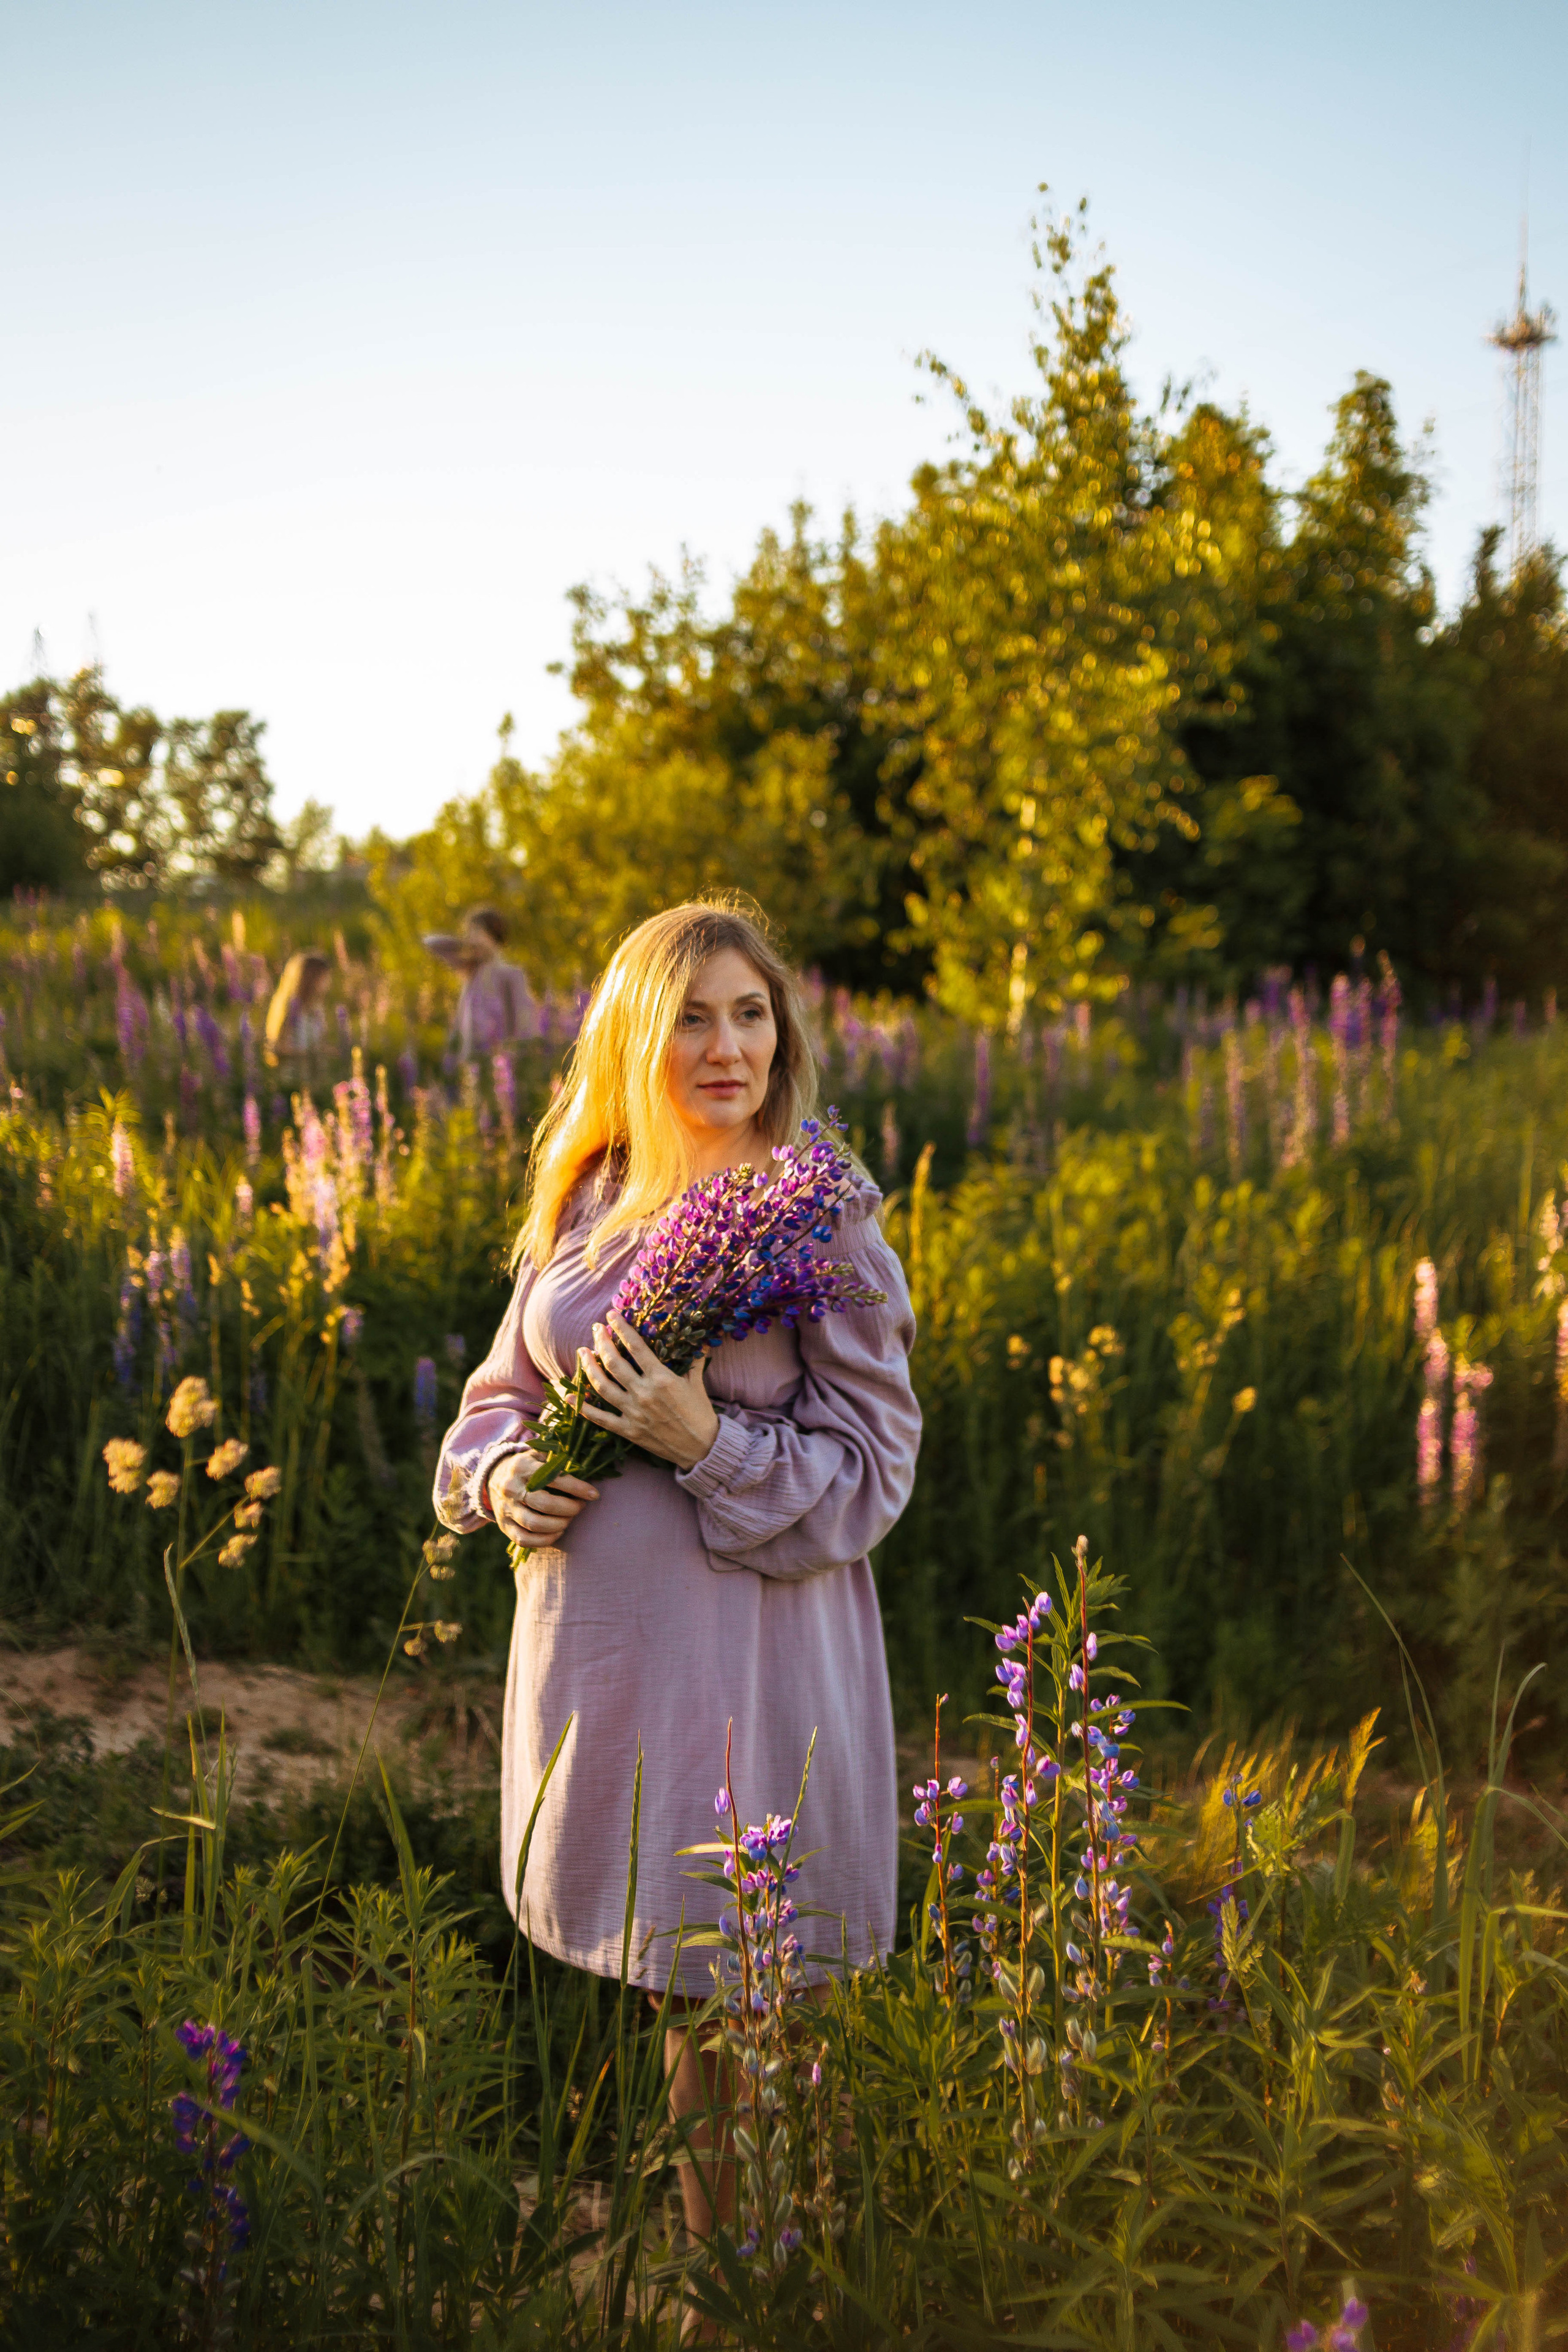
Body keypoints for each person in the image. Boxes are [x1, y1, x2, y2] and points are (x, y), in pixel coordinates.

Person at [432, 900, 918, 2281]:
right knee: (685, 1995)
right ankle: (744, 2271)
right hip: (611, 1668)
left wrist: (700, 1440)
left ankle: (750, 2291)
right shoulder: (586, 1204)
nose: (727, 1046)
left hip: (746, 1669)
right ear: (636, 1036)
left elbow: (874, 1471)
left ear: (783, 1032)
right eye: (693, 1016)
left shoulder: (819, 1221)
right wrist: (500, 1481)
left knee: (754, 2002)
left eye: (750, 1013)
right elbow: (493, 1401)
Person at [420, 906, 534, 1059]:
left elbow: (523, 1023)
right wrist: (464, 944)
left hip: (501, 1061)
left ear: (493, 935)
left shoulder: (511, 975)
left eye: (476, 932)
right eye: (468, 933)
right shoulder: (471, 973)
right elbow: (431, 943)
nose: (471, 938)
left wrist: (515, 1056)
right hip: (471, 1060)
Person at [263, 949, 331, 1068]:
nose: (328, 982)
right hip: (293, 1078)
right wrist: (309, 1054)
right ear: (311, 978)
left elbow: (319, 1043)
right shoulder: (291, 1008)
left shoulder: (317, 1009)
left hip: (312, 1073)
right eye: (324, 977)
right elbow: (278, 1048)